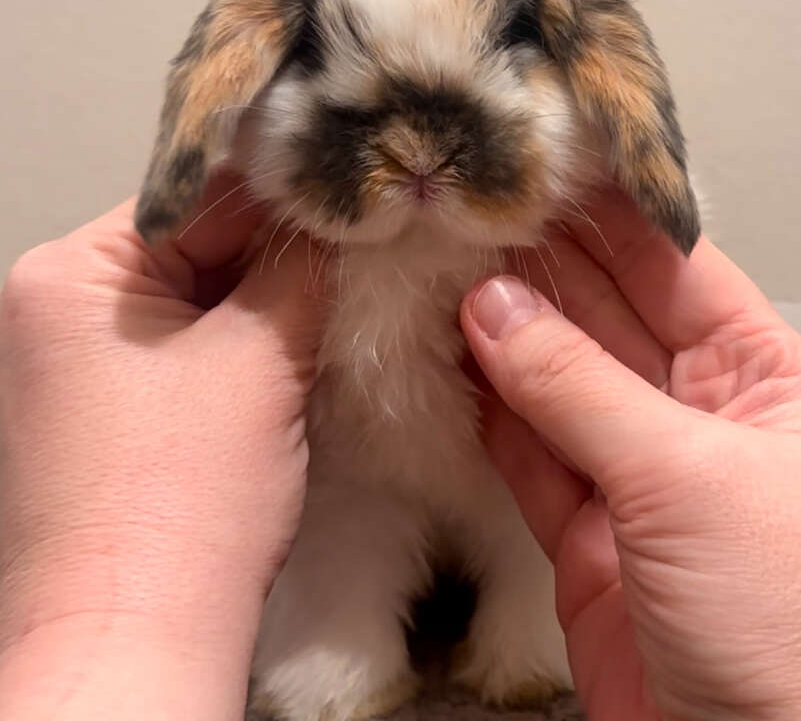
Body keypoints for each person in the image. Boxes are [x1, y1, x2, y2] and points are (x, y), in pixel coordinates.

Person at [0, 176, 799, 721]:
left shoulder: (578, 226)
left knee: (545, 491)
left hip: (553, 521)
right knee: (342, 487)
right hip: (340, 478)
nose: (414, 151)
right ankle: (336, 641)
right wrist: (123, 592)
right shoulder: (275, 241)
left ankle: (529, 628)